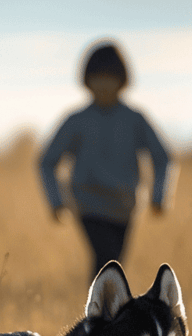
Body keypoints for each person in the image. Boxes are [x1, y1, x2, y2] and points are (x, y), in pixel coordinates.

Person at [38, 41, 174, 280]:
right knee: (107, 263)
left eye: (109, 77)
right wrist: (56, 201)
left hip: (125, 208)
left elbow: (163, 158)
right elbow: (47, 161)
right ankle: (101, 315)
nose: (103, 84)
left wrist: (159, 197)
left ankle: (104, 314)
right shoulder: (77, 120)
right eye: (97, 77)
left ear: (122, 80)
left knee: (114, 268)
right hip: (89, 206)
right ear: (87, 80)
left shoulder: (135, 120)